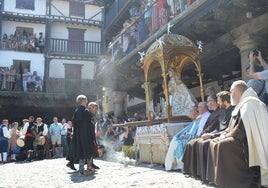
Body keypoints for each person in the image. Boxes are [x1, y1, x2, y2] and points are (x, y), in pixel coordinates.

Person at [209, 80, 268, 188]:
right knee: (214, 142)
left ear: (237, 92)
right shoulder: (243, 103)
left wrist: (228, 135)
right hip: (242, 137)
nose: (230, 94)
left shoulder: (250, 103)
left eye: (231, 92)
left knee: (223, 145)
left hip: (248, 142)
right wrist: (226, 133)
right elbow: (234, 124)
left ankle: (237, 180)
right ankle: (221, 179)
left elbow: (243, 128)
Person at [195, 91, 235, 182]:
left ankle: (214, 177)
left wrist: (212, 135)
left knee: (205, 144)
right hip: (219, 134)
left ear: (225, 101)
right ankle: (203, 175)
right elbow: (219, 128)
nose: (218, 103)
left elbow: (228, 129)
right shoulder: (223, 112)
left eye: (218, 101)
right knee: (201, 143)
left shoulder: (232, 111)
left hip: (226, 135)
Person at [182, 94, 221, 177]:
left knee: (199, 144)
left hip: (214, 134)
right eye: (208, 101)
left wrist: (208, 134)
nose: (209, 103)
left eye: (211, 101)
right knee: (190, 144)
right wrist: (202, 134)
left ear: (216, 102)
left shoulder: (219, 112)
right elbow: (207, 126)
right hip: (207, 133)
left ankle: (204, 173)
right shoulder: (213, 113)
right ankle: (191, 170)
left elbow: (215, 127)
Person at [164, 106, 200, 171]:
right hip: (187, 137)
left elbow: (193, 133)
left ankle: (180, 165)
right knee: (174, 141)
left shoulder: (199, 120)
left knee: (176, 143)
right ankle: (172, 165)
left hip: (191, 138)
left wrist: (186, 136)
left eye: (191, 111)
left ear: (195, 111)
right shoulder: (195, 121)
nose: (190, 113)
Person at [67, 95, 96, 175]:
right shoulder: (85, 111)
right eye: (86, 100)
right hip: (86, 136)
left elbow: (74, 124)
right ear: (83, 101)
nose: (87, 102)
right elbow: (90, 124)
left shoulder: (76, 111)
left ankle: (81, 170)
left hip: (79, 136)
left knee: (81, 152)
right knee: (89, 151)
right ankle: (89, 168)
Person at [88, 102, 100, 170]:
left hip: (92, 135)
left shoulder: (92, 115)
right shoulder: (88, 115)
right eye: (95, 108)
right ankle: (89, 165)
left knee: (93, 150)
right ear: (91, 108)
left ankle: (91, 163)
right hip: (88, 136)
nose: (96, 110)